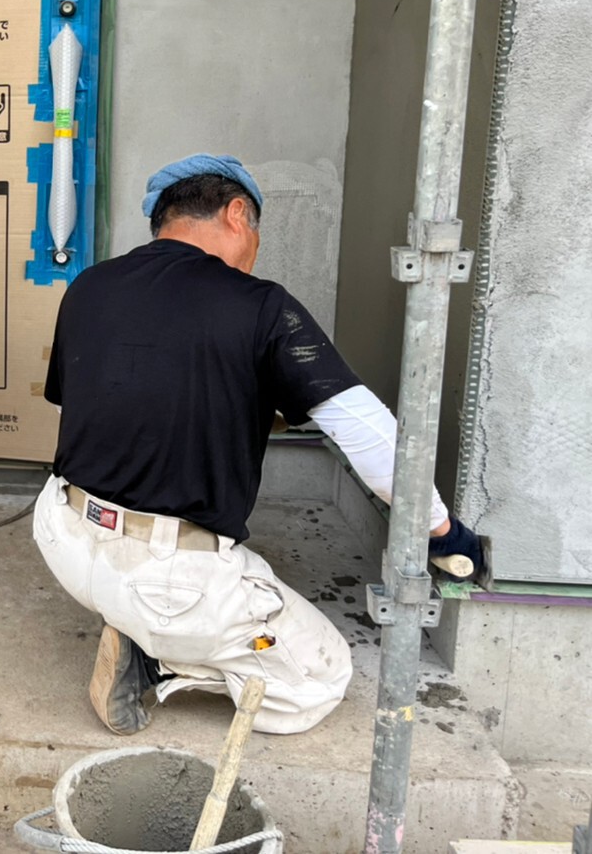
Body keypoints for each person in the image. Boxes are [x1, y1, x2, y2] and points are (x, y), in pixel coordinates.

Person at [34, 153, 484, 735]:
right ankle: (156, 657)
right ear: (236, 213)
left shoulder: (89, 286)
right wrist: (442, 530)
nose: (253, 254)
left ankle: (136, 620)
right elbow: (370, 434)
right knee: (319, 680)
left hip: (63, 535)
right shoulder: (261, 305)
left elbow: (94, 404)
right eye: (256, 236)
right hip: (166, 578)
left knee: (151, 572)